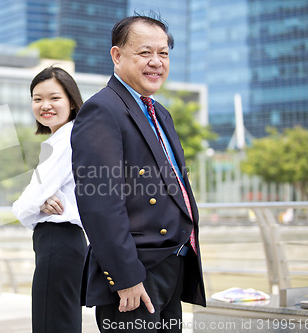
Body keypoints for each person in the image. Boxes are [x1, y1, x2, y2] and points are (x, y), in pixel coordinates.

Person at [71, 14, 206, 332]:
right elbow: (100, 206)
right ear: (117, 56)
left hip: (172, 265)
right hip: (136, 276)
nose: (156, 62)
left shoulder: (159, 112)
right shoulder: (102, 110)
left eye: (163, 53)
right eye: (145, 52)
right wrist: (125, 277)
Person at [12, 66, 87, 333]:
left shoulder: (67, 139)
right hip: (66, 243)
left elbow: (25, 203)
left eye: (55, 98)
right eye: (37, 98)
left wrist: (29, 206)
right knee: (61, 323)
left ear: (71, 100)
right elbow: (37, 198)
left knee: (51, 325)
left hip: (59, 241)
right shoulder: (67, 137)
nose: (45, 105)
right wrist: (37, 204)